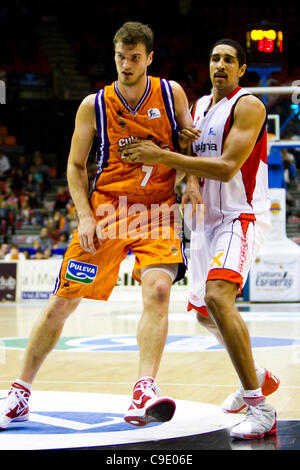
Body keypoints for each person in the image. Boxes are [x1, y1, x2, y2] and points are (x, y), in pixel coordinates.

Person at [0, 21, 194, 430]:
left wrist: (190, 180)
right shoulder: (94, 104)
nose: (127, 64)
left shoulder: (171, 92)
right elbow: (74, 165)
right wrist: (84, 215)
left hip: (157, 210)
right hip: (107, 210)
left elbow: (188, 142)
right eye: (121, 57)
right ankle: (19, 392)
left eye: (135, 57)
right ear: (115, 56)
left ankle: (144, 388)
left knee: (158, 290)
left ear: (150, 58)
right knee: (63, 301)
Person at [121, 39, 279, 440]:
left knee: (217, 298)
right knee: (205, 312)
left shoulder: (249, 106)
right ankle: (255, 373)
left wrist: (162, 157)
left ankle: (260, 406)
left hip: (239, 216)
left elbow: (226, 168)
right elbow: (195, 157)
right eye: (214, 58)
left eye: (228, 60)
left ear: (242, 69)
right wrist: (186, 177)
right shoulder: (200, 109)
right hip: (204, 221)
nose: (220, 65)